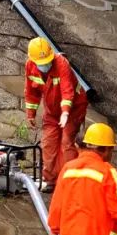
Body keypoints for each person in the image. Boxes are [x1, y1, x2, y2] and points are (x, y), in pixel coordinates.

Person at [23, 37, 88, 193]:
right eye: (42, 62)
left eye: (47, 61)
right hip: (52, 112)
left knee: (66, 143)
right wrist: (31, 113)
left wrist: (65, 113)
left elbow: (67, 91)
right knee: (48, 144)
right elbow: (31, 91)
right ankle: (51, 180)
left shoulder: (61, 64)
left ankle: (70, 181)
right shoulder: (30, 66)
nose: (45, 65)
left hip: (73, 110)